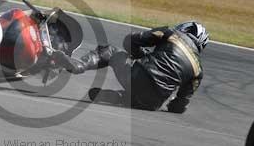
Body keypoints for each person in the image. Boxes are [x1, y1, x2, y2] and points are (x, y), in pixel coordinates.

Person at [52, 22, 209, 113]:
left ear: (185, 28)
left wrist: (140, 55)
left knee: (110, 51)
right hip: (153, 103)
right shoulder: (198, 70)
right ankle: (116, 97)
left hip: (138, 77)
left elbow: (130, 41)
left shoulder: (170, 33)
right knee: (140, 98)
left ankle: (79, 65)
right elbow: (179, 106)